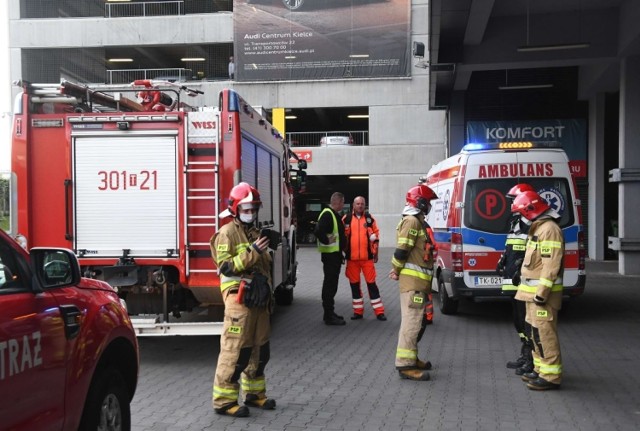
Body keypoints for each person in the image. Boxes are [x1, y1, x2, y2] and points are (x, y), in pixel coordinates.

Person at [210, 182, 276, 417]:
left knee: (260, 350)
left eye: (254, 208)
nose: (251, 213)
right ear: (236, 209)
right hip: (239, 298)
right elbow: (226, 267)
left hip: (258, 298)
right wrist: (254, 252)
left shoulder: (256, 234)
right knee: (235, 351)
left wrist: (267, 251)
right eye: (246, 208)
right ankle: (224, 401)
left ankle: (254, 394)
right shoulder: (226, 233)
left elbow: (264, 266)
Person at [511, 190, 565, 391]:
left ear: (531, 209)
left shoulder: (549, 229)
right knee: (535, 333)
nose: (522, 217)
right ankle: (541, 370)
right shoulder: (539, 228)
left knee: (545, 334)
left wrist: (542, 293)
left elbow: (551, 265)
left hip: (542, 296)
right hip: (531, 295)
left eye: (522, 213)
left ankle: (551, 376)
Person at [389, 184, 438, 381]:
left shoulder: (416, 221)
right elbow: (401, 251)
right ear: (420, 202)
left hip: (418, 284)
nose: (429, 206)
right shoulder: (412, 222)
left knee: (418, 322)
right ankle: (405, 365)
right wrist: (395, 269)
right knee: (412, 323)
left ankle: (413, 357)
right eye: (427, 202)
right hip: (413, 284)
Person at [496, 183, 536, 376]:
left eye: (513, 201)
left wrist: (519, 268)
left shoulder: (532, 224)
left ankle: (532, 359)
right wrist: (502, 260)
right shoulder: (517, 221)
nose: (511, 205)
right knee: (518, 319)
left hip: (524, 280)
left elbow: (531, 252)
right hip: (513, 277)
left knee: (526, 319)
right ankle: (525, 352)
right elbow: (511, 245)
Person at [342, 196, 386, 321]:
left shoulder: (370, 219)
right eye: (358, 204)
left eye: (362, 204)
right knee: (354, 286)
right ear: (353, 205)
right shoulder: (346, 219)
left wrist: (376, 253)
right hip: (352, 259)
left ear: (365, 205)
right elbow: (341, 237)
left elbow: (376, 236)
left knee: (372, 285)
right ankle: (358, 312)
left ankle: (379, 312)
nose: (360, 206)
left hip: (367, 259)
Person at [315, 192, 347, 326]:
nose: (343, 205)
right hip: (330, 257)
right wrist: (326, 241)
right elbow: (318, 231)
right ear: (338, 202)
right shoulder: (328, 214)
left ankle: (330, 313)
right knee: (329, 286)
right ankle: (328, 316)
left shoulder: (333, 214)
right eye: (343, 202)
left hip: (334, 256)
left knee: (331, 285)